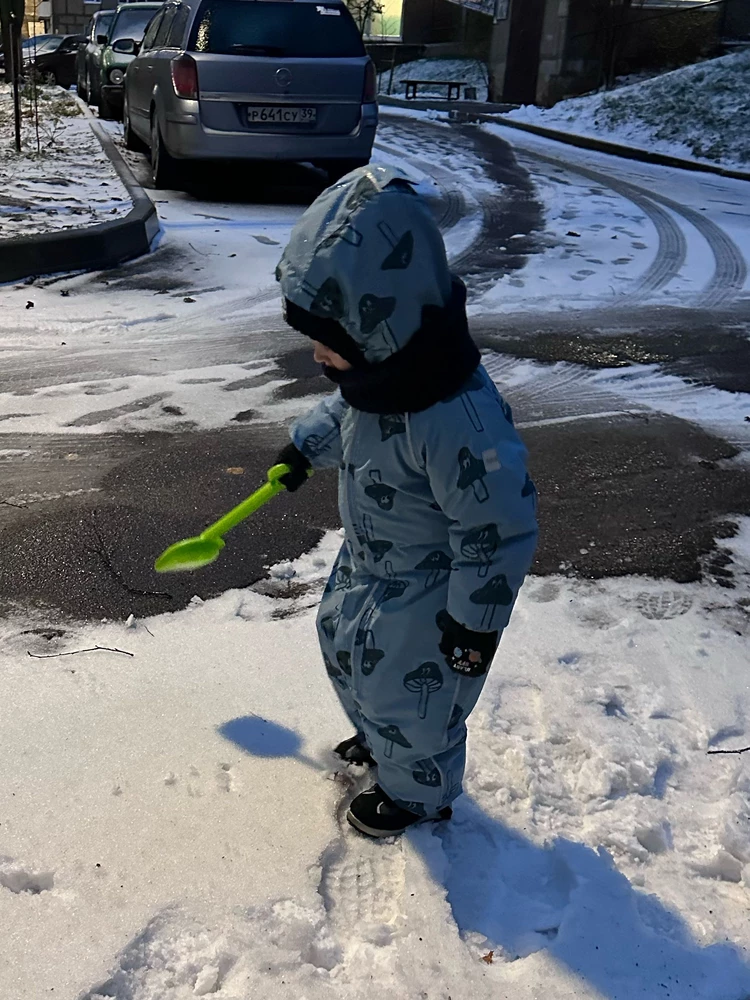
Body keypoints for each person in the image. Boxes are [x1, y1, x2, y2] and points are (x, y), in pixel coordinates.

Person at [273, 165, 538, 838]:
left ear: (379, 327)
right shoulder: (382, 374)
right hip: (368, 562)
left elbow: (499, 525)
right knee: (342, 646)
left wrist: (474, 624)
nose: (317, 355)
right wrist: (305, 449)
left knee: (412, 697)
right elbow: (348, 417)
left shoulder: (458, 419)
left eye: (328, 340)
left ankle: (420, 789)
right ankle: (385, 739)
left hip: (432, 590)